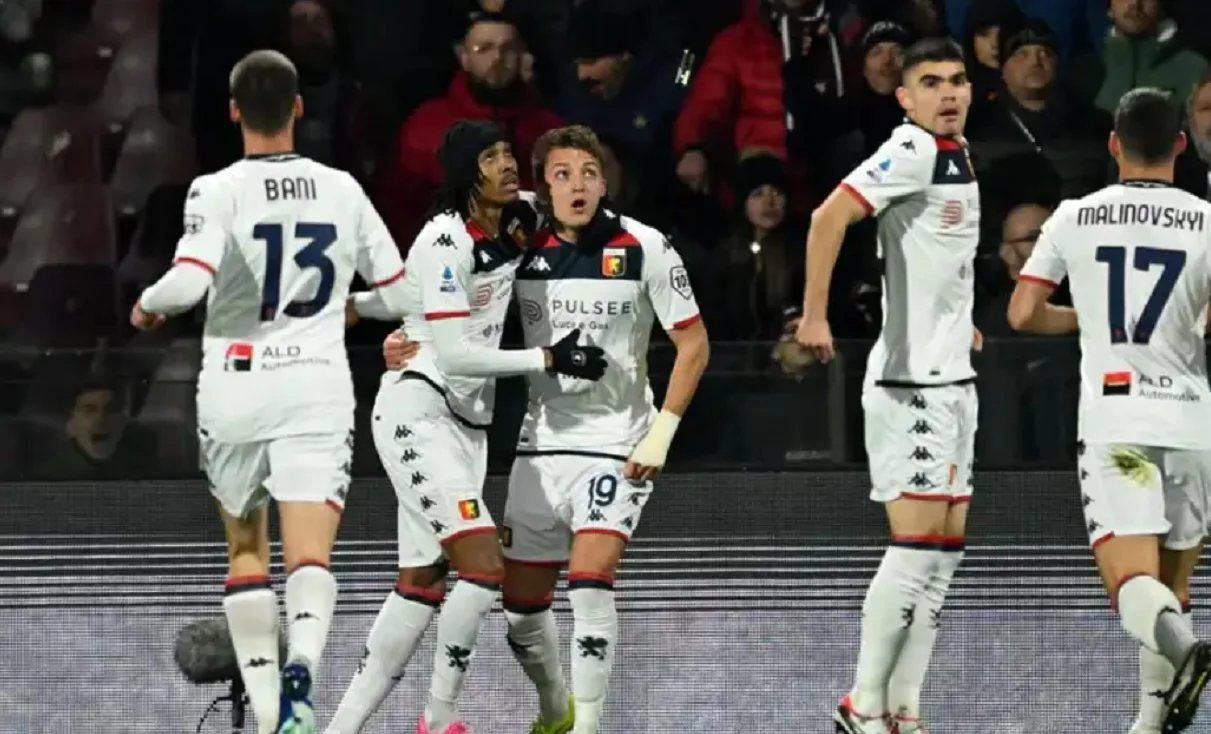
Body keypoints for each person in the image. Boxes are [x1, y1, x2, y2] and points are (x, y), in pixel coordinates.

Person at [385, 124, 711, 734]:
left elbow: (694, 345)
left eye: (588, 173)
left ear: (604, 181)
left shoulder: (646, 245)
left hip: (618, 442)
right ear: (543, 187)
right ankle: (556, 711)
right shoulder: (518, 239)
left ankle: (586, 728)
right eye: (561, 175)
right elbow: (456, 299)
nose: (576, 185)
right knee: (520, 611)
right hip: (541, 443)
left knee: (589, 581)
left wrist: (662, 432)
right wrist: (407, 339)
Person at [131, 50, 411, 734]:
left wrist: (147, 304)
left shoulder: (216, 189)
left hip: (238, 385)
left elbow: (187, 283)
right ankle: (302, 672)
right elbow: (403, 293)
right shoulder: (342, 189)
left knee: (247, 553)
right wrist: (353, 306)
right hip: (315, 384)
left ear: (233, 111)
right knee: (310, 555)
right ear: (298, 107)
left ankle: (267, 717)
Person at [326, 119, 608, 734]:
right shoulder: (444, 238)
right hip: (418, 411)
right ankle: (439, 720)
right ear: (464, 172)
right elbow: (454, 355)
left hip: (467, 427)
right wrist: (547, 358)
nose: (507, 164)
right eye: (490, 158)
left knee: (421, 582)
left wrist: (358, 307)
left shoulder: (519, 215)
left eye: (508, 153)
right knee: (483, 568)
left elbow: (410, 296)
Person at [1007, 87, 1211, 734]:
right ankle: (1149, 724)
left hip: (1117, 426)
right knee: (1171, 590)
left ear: (1113, 144)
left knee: (1130, 584)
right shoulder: (1207, 221)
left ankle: (1190, 654)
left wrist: (1087, 319)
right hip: (1191, 424)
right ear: (1180, 145)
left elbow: (1022, 312)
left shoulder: (1074, 217)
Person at [794, 37, 981, 734]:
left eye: (957, 80)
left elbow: (935, 251)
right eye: (930, 82)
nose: (948, 92)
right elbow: (827, 217)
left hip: (952, 378)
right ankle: (861, 704)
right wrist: (814, 314)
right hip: (911, 385)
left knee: (941, 559)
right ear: (904, 98)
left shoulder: (956, 151)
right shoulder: (911, 147)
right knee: (914, 550)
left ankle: (903, 710)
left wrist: (959, 319)